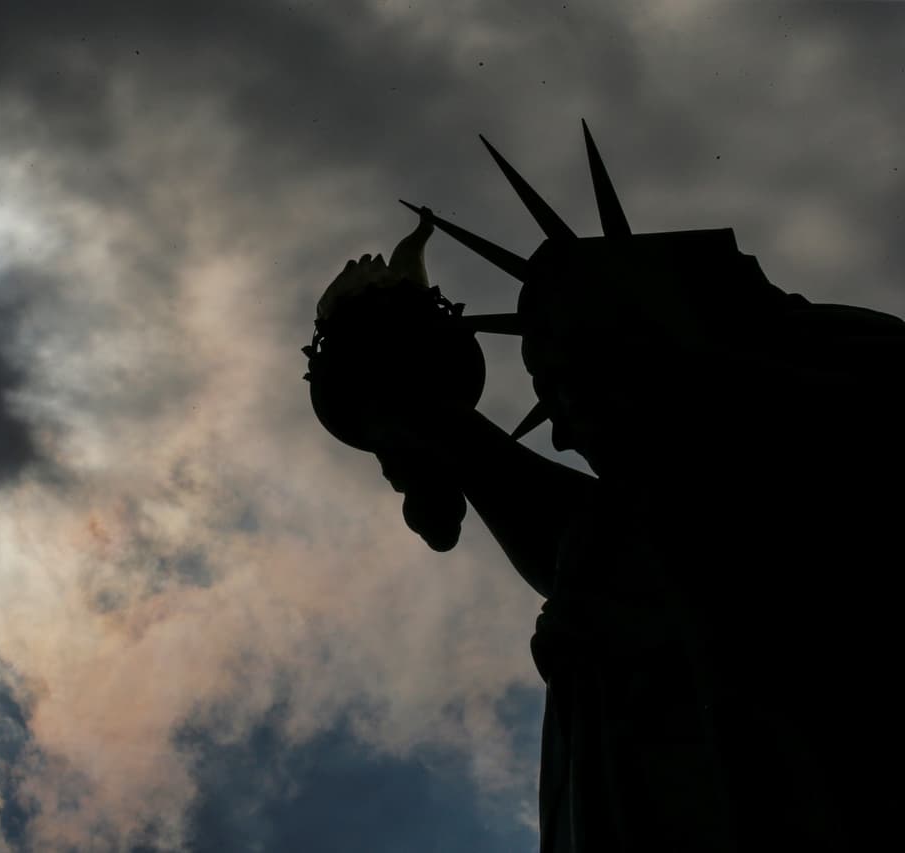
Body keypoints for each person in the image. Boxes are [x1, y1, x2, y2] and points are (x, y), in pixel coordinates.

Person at [305, 123, 903, 851]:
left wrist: (420, 406)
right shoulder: (640, 519)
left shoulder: (823, 419)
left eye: (561, 383)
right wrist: (427, 418)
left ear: (638, 335)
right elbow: (582, 540)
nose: (559, 431)